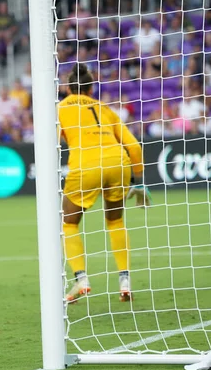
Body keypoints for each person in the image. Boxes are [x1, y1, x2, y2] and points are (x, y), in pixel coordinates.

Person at [58, 64, 151, 304]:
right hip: (117, 162)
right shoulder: (105, 108)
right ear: (91, 88)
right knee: (116, 221)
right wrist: (139, 183)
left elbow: (51, 141)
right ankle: (124, 280)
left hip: (85, 165)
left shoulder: (59, 109)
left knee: (68, 224)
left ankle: (81, 278)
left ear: (68, 88)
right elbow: (134, 147)